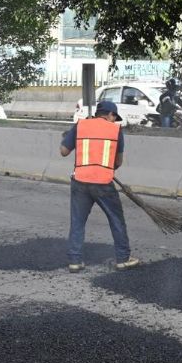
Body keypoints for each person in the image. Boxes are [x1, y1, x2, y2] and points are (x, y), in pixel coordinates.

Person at [59, 100, 139, 273]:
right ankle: (123, 259)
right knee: (116, 220)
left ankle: (75, 261)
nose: (115, 120)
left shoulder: (81, 125)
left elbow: (63, 151)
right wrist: (108, 168)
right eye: (114, 117)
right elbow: (118, 162)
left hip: (80, 181)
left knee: (77, 222)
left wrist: (69, 137)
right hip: (103, 183)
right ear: (110, 114)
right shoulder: (116, 130)